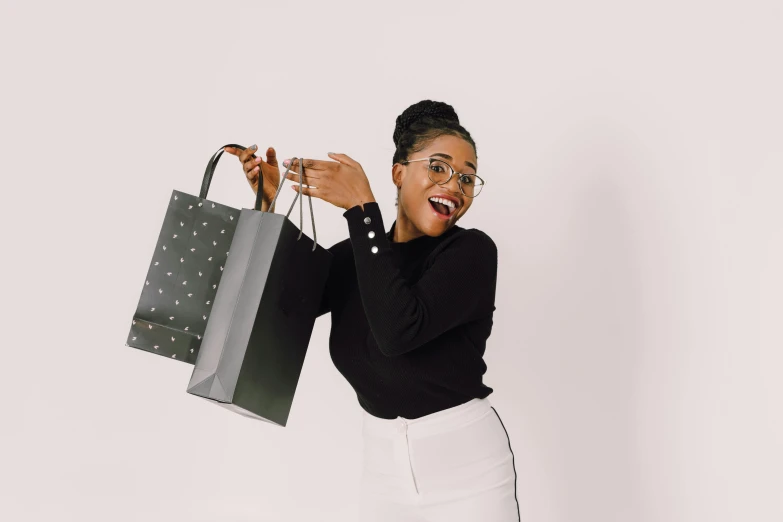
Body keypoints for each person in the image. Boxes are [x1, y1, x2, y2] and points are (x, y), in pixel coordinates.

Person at [225, 100, 520, 522]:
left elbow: (398, 330)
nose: (455, 185)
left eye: (468, 177)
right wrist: (268, 208)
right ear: (399, 172)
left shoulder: (470, 253)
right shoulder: (356, 257)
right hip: (382, 472)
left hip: (468, 472)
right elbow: (277, 308)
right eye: (438, 167)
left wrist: (362, 211)